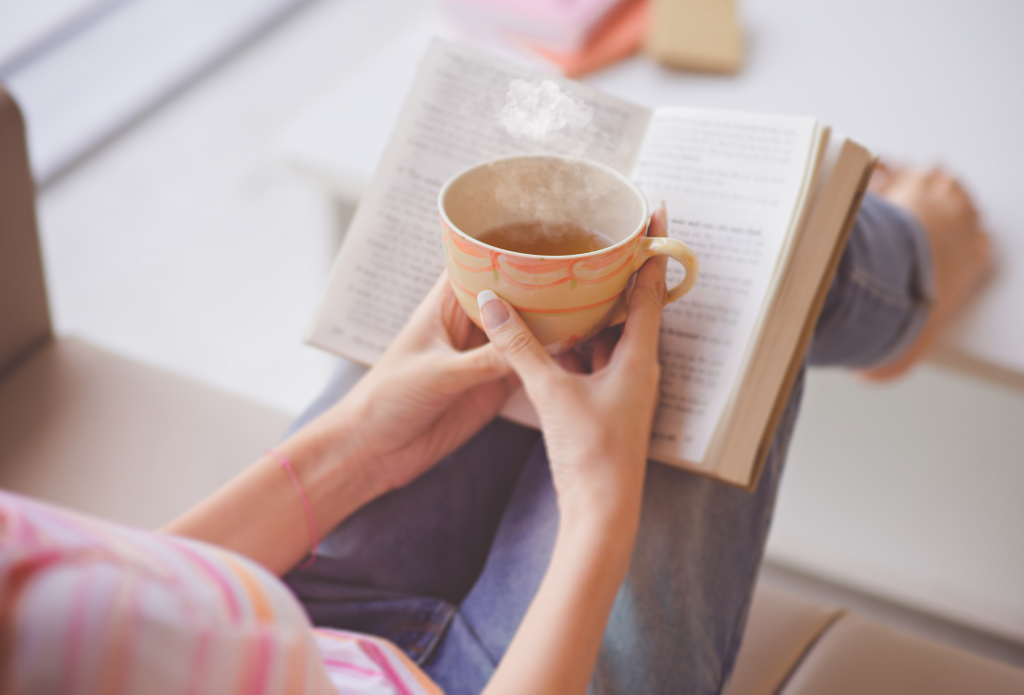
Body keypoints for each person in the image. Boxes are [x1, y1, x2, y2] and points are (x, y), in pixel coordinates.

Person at [0, 167, 990, 694]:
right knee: (715, 285)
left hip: (293, 623)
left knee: (596, 208)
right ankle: (904, 280)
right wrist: (597, 509)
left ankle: (885, 271)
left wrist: (355, 446)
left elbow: (127, 595)